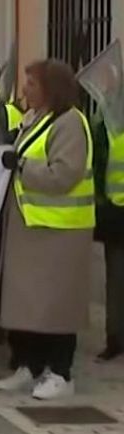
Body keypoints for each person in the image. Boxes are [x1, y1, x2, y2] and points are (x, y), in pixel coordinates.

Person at [0, 60, 95, 400]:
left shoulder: (70, 124)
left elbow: (64, 175)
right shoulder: (35, 119)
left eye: (32, 84)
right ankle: (30, 366)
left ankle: (61, 373)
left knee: (57, 306)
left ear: (52, 87)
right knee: (31, 306)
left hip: (62, 230)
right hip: (33, 226)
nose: (25, 90)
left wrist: (22, 165)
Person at [96, 117, 124, 361]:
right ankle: (114, 337)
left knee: (115, 280)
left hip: (115, 214)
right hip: (116, 216)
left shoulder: (111, 131)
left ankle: (114, 339)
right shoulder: (109, 131)